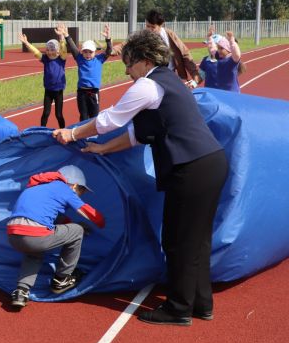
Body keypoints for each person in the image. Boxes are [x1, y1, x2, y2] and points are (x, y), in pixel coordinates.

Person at [52, 29, 228, 326]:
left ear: (144, 60)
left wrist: (73, 133)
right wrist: (104, 149)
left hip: (191, 167)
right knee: (197, 240)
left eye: (129, 65)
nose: (127, 72)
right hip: (210, 163)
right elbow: (140, 134)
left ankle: (178, 308)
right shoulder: (168, 82)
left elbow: (110, 119)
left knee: (177, 240)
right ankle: (200, 302)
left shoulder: (148, 85)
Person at [7, 165, 105, 308]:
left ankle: (21, 291)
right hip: (36, 234)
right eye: (81, 191)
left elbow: (52, 219)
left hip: (13, 235)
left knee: (34, 253)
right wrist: (103, 223)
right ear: (75, 185)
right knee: (77, 231)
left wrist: (69, 225)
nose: (79, 195)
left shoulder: (36, 188)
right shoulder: (63, 188)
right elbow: (87, 212)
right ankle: (62, 279)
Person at [57, 23, 113, 121]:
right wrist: (66, 35)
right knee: (83, 116)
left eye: (90, 52)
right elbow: (73, 47)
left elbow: (109, 51)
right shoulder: (80, 59)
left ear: (95, 52)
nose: (87, 54)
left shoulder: (99, 59)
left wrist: (108, 39)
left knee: (94, 116)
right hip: (82, 92)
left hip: (93, 92)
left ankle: (93, 134)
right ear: (82, 52)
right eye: (85, 52)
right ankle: (83, 135)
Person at [18, 27, 68, 128]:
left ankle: (63, 130)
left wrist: (61, 37)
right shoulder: (45, 59)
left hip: (58, 92)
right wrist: (26, 43)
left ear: (57, 50)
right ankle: (42, 130)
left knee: (58, 115)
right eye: (47, 50)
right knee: (46, 113)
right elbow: (35, 52)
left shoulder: (61, 58)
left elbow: (63, 48)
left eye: (52, 49)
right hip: (48, 91)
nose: (49, 52)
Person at [144, 9, 202, 89]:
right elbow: (128, 43)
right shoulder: (142, 37)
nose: (149, 30)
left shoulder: (170, 35)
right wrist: (119, 49)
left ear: (161, 25)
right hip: (152, 78)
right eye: (147, 26)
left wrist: (195, 75)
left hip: (170, 75)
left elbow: (185, 54)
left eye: (153, 27)